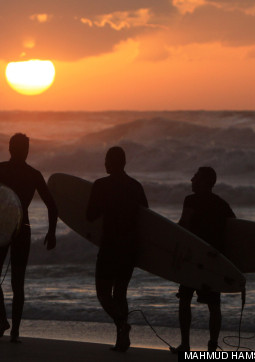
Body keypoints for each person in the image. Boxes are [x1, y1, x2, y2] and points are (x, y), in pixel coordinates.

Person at [0, 133, 58, 343]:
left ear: (10, 148)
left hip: (0, 228)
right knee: (17, 282)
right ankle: (15, 331)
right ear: (26, 150)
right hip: (22, 228)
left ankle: (4, 321)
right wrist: (52, 232)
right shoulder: (33, 174)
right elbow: (52, 206)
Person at [86, 146, 148, 352]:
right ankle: (121, 339)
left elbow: (90, 215)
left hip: (110, 246)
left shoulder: (101, 185)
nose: (104, 163)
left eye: (106, 160)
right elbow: (147, 218)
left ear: (113, 162)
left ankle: (122, 325)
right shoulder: (135, 186)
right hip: (130, 247)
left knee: (103, 294)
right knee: (120, 293)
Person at [170, 167, 236, 353]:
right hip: (212, 260)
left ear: (205, 181)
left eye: (196, 177)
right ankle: (212, 347)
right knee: (214, 305)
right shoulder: (221, 204)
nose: (191, 179)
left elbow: (184, 225)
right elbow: (234, 230)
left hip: (192, 257)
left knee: (185, 300)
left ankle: (185, 345)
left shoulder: (190, 200)